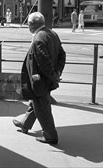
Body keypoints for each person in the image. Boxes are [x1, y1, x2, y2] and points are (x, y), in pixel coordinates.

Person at [13, 12, 66, 144]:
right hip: (47, 78)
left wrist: (54, 76)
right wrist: (58, 71)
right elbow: (62, 54)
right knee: (36, 102)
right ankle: (25, 124)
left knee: (42, 106)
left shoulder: (38, 39)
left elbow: (44, 62)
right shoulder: (51, 33)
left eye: (27, 24)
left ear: (31, 24)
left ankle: (50, 136)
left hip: (40, 80)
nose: (27, 26)